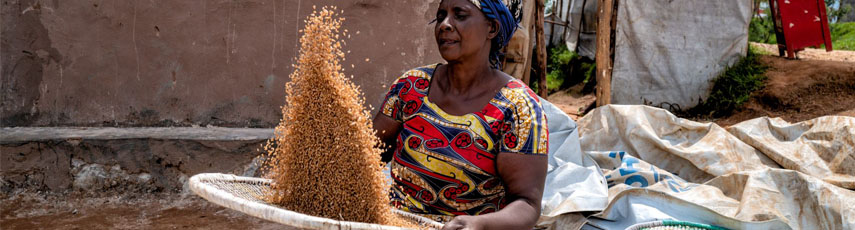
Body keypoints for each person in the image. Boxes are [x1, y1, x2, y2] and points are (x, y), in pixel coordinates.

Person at [372, 0, 548, 229]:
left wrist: (479, 224)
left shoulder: (518, 108)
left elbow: (527, 203)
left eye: (460, 15)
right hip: (393, 223)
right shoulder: (411, 87)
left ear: (492, 28)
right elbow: (368, 155)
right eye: (441, 15)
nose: (445, 24)